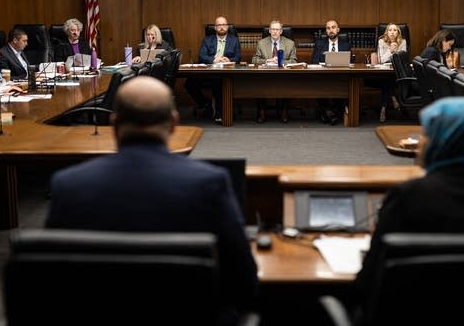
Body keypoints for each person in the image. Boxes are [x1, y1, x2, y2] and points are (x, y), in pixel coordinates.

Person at [45, 76, 258, 322]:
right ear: (174, 123)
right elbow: (244, 278)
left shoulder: (69, 185)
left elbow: (54, 280)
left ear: (113, 124)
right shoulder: (210, 183)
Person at [355, 96, 464, 312]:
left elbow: (368, 282)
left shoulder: (410, 196)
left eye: (428, 135)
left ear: (447, 142)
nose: (420, 142)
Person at [184, 16, 241, 125]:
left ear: (227, 27)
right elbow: (202, 56)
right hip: (209, 70)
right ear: (215, 28)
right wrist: (214, 59)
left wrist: (228, 59)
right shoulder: (207, 40)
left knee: (219, 82)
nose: (222, 27)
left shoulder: (234, 40)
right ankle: (206, 104)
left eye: (224, 25)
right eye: (219, 25)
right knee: (189, 83)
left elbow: (238, 57)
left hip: (226, 71)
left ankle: (220, 113)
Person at [251, 19, 297, 123]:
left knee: (287, 84)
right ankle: (261, 111)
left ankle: (284, 111)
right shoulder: (261, 43)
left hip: (283, 75)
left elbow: (294, 60)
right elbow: (254, 60)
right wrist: (267, 60)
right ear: (269, 31)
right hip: (265, 75)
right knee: (258, 83)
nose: (275, 32)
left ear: (281, 31)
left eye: (277, 29)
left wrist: (281, 61)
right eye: (273, 29)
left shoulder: (290, 43)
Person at [311, 19, 351, 125]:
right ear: (326, 31)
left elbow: (349, 62)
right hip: (323, 76)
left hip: (341, 76)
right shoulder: (319, 44)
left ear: (338, 29)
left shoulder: (345, 45)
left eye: (333, 27)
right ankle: (330, 113)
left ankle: (327, 113)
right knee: (319, 85)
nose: (331, 30)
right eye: (328, 28)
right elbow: (314, 62)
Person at [366, 23, 407, 122]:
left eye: (395, 30)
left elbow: (402, 60)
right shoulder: (381, 41)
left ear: (398, 32)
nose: (392, 32)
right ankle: (392, 99)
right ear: (386, 32)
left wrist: (396, 52)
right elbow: (381, 60)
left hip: (396, 73)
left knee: (387, 81)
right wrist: (390, 51)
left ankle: (383, 109)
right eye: (390, 30)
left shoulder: (402, 42)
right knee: (386, 80)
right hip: (383, 72)